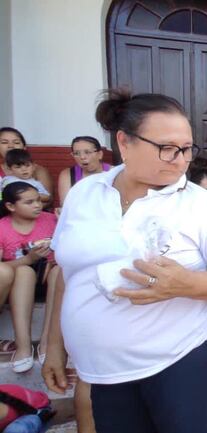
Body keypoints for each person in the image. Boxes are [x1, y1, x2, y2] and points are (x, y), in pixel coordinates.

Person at [42, 89, 207, 433]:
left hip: (181, 360)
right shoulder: (84, 194)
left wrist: (185, 284)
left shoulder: (200, 205)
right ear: (124, 142)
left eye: (186, 149)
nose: (180, 159)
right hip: (105, 370)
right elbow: (69, 273)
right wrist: (53, 345)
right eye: (167, 148)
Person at [0, 182, 60, 373]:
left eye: (38, 200)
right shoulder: (2, 227)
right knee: (24, 271)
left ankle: (47, 342)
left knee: (60, 271)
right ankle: (24, 346)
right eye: (29, 202)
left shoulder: (51, 220)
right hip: (18, 285)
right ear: (11, 206)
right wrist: (29, 259)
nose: (37, 205)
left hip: (49, 278)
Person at [57, 136, 112, 205]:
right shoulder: (68, 174)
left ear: (100, 154)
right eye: (76, 153)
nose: (82, 157)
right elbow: (65, 205)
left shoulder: (114, 172)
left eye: (87, 152)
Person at [0, 127, 54, 194]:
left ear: (24, 147)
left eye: (16, 143)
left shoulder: (38, 171)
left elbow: (48, 200)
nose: (11, 146)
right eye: (4, 142)